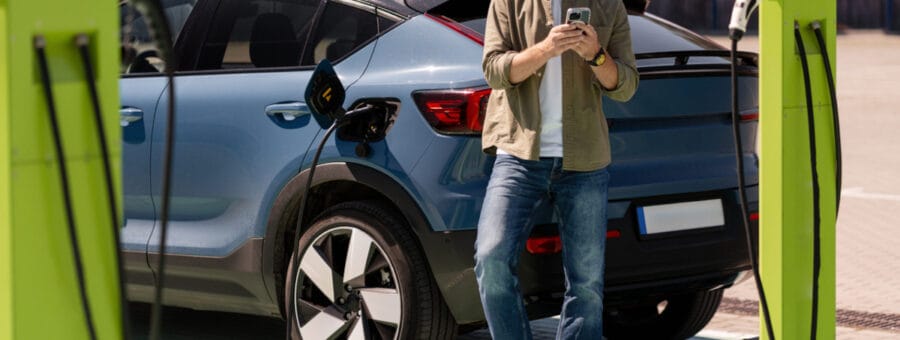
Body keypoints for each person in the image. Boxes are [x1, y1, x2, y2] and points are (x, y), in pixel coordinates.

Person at [474, 0, 638, 339]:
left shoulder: (609, 5)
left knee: (587, 285)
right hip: (519, 154)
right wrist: (547, 49)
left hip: (585, 162)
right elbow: (493, 70)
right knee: (491, 260)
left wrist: (595, 54)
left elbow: (626, 86)